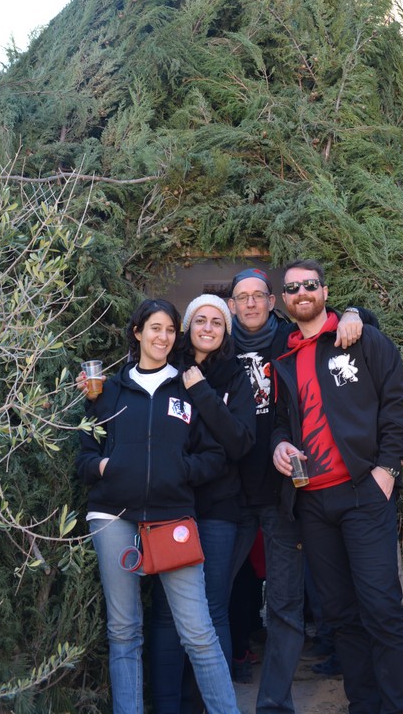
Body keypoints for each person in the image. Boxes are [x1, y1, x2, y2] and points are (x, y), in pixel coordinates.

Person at [75, 298, 243, 714]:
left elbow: (215, 456)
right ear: (137, 333)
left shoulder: (189, 387)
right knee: (124, 631)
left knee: (198, 632)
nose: (163, 337)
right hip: (113, 515)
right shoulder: (108, 391)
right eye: (154, 328)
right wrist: (108, 465)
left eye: (170, 329)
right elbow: (84, 457)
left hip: (172, 517)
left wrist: (178, 470)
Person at [271, 260, 403, 714]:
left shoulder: (360, 339)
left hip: (363, 494)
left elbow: (397, 403)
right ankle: (364, 706)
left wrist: (386, 471)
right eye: (293, 288)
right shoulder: (284, 357)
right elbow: (281, 421)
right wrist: (279, 444)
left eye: (310, 285)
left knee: (381, 610)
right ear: (284, 300)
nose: (302, 293)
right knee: (340, 616)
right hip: (312, 503)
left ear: (325, 291)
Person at [227, 266, 366, 714]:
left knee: (285, 607)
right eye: (242, 296)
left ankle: (273, 705)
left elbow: (334, 323)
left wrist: (354, 312)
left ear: (273, 302)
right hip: (226, 497)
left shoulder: (290, 340)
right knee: (209, 600)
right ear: (231, 305)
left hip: (280, 494)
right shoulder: (216, 344)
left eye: (259, 295)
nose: (251, 303)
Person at [150, 294, 255, 714]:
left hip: (218, 509)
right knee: (166, 611)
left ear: (226, 331)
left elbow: (240, 443)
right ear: (188, 327)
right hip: (169, 505)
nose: (208, 327)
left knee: (212, 608)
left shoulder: (234, 376)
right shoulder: (167, 369)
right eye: (200, 320)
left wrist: (203, 391)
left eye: (216, 322)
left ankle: (211, 705)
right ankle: (169, 705)